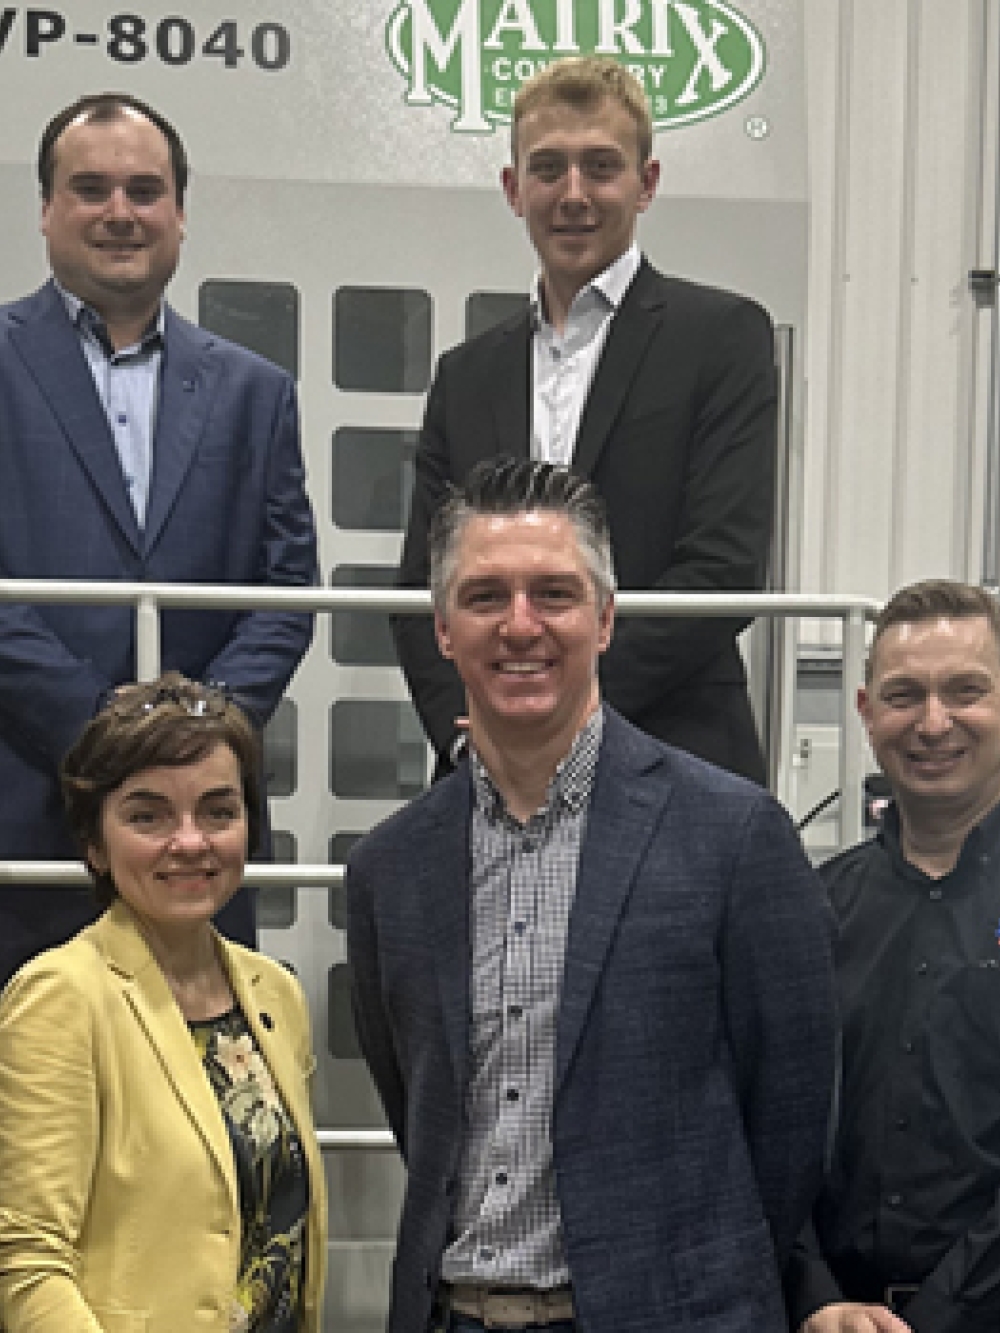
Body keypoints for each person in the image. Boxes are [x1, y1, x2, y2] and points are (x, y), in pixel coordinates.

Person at [348, 457, 836, 1333]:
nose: (521, 625)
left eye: (555, 594)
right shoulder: (392, 867)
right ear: (444, 629)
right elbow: (416, 1105)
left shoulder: (735, 836)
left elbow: (790, 1124)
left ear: (606, 619)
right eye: (486, 595)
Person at [0, 91, 318, 985]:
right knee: (31, 1111)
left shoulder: (256, 391)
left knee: (203, 1109)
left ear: (179, 212)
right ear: (46, 210)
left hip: (200, 845)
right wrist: (111, 736)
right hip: (26, 830)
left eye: (145, 190)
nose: (119, 213)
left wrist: (189, 740)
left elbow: (288, 593)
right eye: (90, 188)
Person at [395, 56, 777, 785]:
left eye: (601, 167)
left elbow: (722, 567)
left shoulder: (723, 336)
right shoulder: (466, 374)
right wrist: (470, 739)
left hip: (676, 754)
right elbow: (423, 588)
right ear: (514, 189)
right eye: (549, 169)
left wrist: (564, 712)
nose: (573, 194)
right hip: (491, 765)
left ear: (646, 183)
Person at [0, 673, 327, 1333]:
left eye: (218, 810)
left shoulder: (275, 993)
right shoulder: (61, 996)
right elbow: (29, 1265)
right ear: (95, 843)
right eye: (148, 814)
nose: (189, 840)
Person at [785, 579, 1000, 1333]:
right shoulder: (811, 907)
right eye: (905, 694)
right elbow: (771, 1118)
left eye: (966, 691)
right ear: (866, 711)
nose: (934, 722)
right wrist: (816, 1294)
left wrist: (942, 1311)